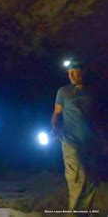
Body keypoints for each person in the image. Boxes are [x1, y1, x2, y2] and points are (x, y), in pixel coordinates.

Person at [51, 59, 99, 212]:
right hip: (70, 143)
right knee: (78, 180)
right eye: (68, 73)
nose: (70, 75)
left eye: (74, 71)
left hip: (90, 144)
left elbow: (100, 117)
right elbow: (57, 114)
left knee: (91, 181)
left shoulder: (93, 91)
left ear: (82, 71)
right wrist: (54, 129)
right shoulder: (63, 91)